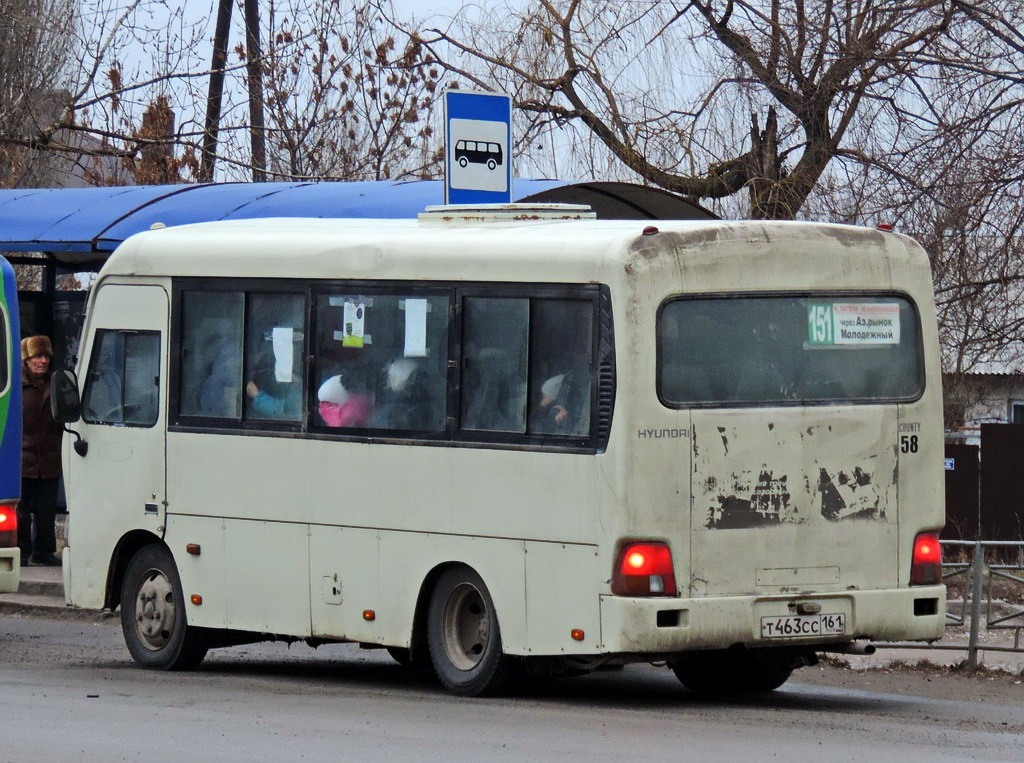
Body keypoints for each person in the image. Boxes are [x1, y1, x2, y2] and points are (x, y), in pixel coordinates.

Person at [19, 335, 64, 566]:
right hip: (23, 460)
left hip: (49, 457)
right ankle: (22, 552)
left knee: (46, 510)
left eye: (46, 356)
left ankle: (44, 551)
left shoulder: (56, 383)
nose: (43, 361)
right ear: (27, 359)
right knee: (21, 511)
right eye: (37, 356)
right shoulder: (17, 385)